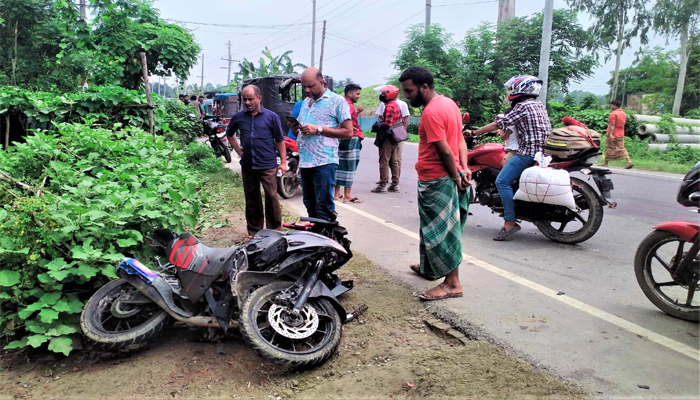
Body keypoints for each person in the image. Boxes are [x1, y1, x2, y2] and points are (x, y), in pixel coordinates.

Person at [399, 66, 471, 301]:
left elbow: (445, 152)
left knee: (443, 232)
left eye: (409, 91)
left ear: (424, 87)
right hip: (448, 174)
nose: (407, 96)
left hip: (437, 178)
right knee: (431, 228)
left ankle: (452, 283)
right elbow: (459, 139)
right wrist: (465, 167)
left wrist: (454, 175)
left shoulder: (431, 113)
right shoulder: (449, 104)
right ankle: (429, 268)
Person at [464, 75, 551, 241]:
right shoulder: (538, 105)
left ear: (522, 89)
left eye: (512, 89)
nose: (510, 93)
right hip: (542, 153)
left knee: (502, 181)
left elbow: (498, 124)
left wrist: (473, 132)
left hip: (528, 153)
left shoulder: (522, 107)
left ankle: (509, 223)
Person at [288, 68, 353, 220]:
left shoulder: (337, 101)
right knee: (309, 203)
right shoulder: (305, 103)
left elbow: (348, 132)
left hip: (324, 162)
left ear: (322, 82)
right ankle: (315, 237)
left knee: (323, 206)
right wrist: (296, 128)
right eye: (304, 86)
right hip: (305, 162)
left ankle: (326, 240)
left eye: (311, 86)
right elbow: (304, 130)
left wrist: (318, 129)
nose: (307, 90)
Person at [226, 85, 287, 238]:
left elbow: (279, 140)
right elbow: (230, 134)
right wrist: (239, 151)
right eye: (244, 99)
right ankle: (254, 232)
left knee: (272, 197)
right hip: (248, 165)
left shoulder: (271, 117)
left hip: (268, 164)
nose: (247, 102)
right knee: (252, 198)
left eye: (250, 99)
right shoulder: (238, 117)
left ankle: (275, 231)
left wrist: (284, 162)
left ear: (259, 98)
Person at [334, 83, 365, 203]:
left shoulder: (342, 104)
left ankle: (337, 192)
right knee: (350, 166)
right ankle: (347, 194)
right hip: (352, 137)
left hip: (341, 137)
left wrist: (356, 112)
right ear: (349, 93)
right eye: (357, 94)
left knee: (340, 164)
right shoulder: (349, 106)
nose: (358, 96)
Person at [371, 85, 403, 193]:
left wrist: (379, 128)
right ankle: (395, 184)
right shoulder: (396, 105)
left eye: (383, 94)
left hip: (388, 137)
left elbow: (388, 124)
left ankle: (382, 185)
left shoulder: (389, 106)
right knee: (393, 161)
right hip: (395, 136)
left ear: (389, 94)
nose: (382, 95)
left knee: (384, 161)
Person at [603, 100, 633, 169]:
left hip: (613, 133)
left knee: (609, 146)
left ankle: (606, 163)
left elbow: (612, 124)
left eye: (611, 105)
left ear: (615, 106)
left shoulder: (613, 114)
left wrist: (610, 134)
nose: (610, 106)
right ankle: (606, 162)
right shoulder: (623, 114)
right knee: (620, 147)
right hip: (621, 133)